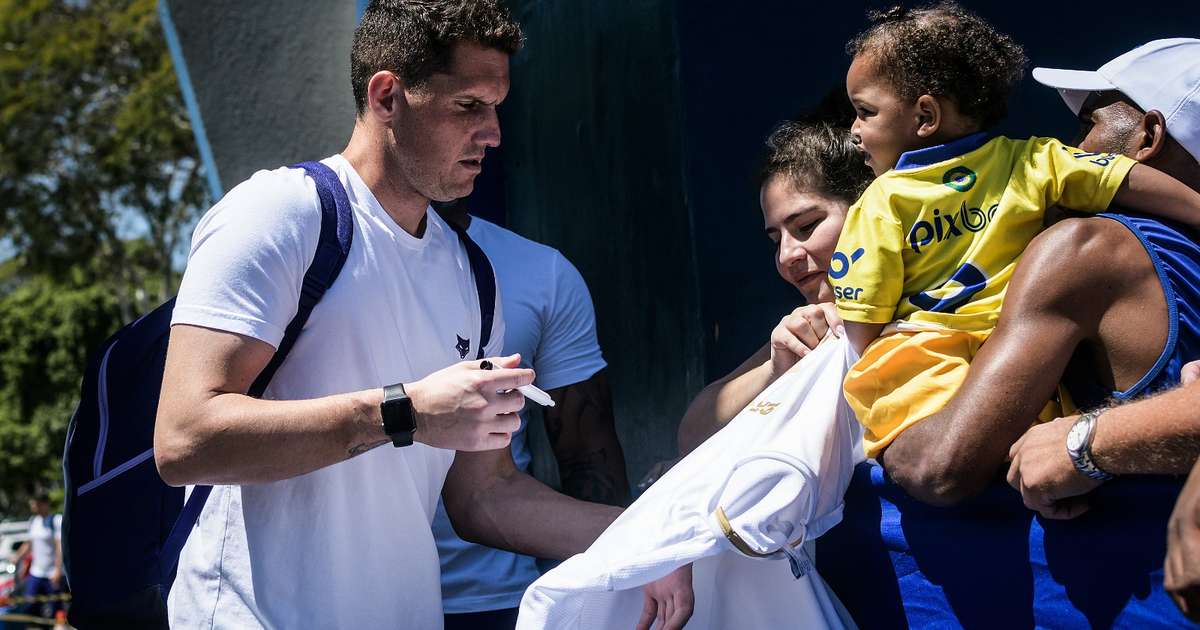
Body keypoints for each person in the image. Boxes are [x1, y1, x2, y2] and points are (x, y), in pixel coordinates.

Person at [153, 2, 685, 627]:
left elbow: (485, 496)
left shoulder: (473, 275)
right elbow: (185, 438)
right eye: (468, 106)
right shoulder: (279, 213)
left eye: (497, 107)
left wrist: (647, 539)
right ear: (386, 96)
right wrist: (405, 412)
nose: (493, 133)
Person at [832, 5, 1200, 461]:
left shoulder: (880, 201)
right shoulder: (1035, 161)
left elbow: (865, 330)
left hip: (924, 365)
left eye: (1089, 125)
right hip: (1035, 395)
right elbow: (1123, 178)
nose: (1076, 144)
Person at [432, 200, 630, 630]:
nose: (488, 135)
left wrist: (632, 561)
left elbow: (586, 462)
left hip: (498, 596)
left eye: (491, 126)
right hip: (349, 599)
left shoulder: (540, 273)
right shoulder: (326, 255)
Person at [676, 119, 871, 455]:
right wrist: (774, 370)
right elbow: (692, 436)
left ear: (870, 208)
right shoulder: (805, 334)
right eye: (776, 239)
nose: (787, 256)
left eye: (807, 226)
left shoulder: (940, 306)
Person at [9, 493, 63, 619]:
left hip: (51, 573)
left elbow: (59, 546)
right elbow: (29, 543)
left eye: (37, 504)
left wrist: (57, 569)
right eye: (33, 504)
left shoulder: (56, 520)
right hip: (36, 572)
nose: (34, 507)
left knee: (55, 608)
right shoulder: (34, 521)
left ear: (45, 504)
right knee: (30, 605)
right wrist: (17, 557)